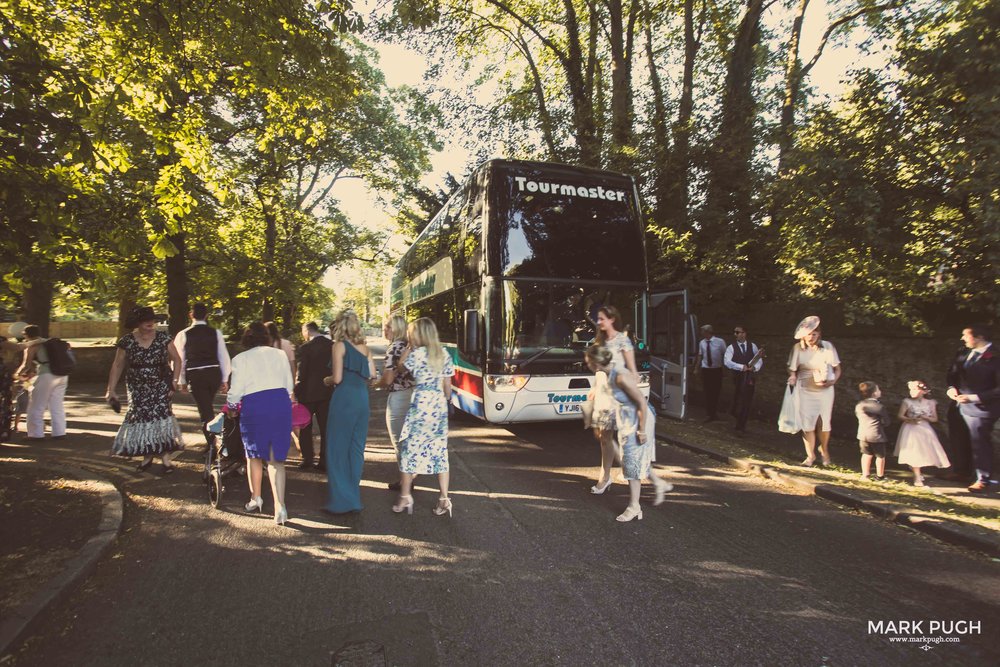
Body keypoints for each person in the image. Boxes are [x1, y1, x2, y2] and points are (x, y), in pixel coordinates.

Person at [585, 344, 672, 522]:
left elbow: (641, 403)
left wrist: (641, 430)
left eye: (588, 362)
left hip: (639, 419)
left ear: (596, 363)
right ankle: (643, 497)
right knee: (629, 460)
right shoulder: (606, 374)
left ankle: (634, 507)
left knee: (632, 461)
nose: (587, 365)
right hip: (626, 418)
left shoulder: (619, 377)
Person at [227, 321, 294, 524]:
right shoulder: (280, 355)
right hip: (280, 403)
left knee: (254, 455)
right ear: (267, 337)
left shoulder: (240, 359)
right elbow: (289, 383)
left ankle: (256, 498)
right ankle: (280, 506)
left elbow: (236, 389)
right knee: (276, 460)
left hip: (255, 406)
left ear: (247, 337)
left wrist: (231, 406)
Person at [107, 307, 184, 472]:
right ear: (138, 323)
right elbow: (117, 364)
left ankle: (165, 460)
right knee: (141, 418)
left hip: (161, 384)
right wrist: (110, 389)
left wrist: (175, 381)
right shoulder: (127, 340)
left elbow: (177, 360)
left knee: (161, 417)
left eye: (153, 320)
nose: (151, 323)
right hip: (137, 387)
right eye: (146, 320)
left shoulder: (164, 338)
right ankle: (147, 457)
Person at [393, 317, 455, 517]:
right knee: (440, 450)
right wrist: (445, 405)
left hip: (421, 404)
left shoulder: (417, 354)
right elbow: (447, 388)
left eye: (413, 332)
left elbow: (400, 369)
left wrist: (406, 352)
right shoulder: (444, 353)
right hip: (438, 406)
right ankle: (444, 499)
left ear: (419, 334)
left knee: (409, 450)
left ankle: (405, 497)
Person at [323, 310, 375, 513]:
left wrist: (325, 380)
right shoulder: (365, 349)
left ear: (340, 327)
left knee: (336, 448)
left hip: (343, 399)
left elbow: (336, 379)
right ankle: (354, 496)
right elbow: (371, 375)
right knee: (356, 448)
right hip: (362, 399)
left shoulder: (339, 346)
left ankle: (341, 500)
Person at [589, 305, 638, 495]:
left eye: (602, 318)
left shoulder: (623, 341)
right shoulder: (599, 342)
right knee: (604, 436)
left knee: (624, 438)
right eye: (598, 319)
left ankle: (631, 474)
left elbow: (633, 371)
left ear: (612, 319)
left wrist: (630, 389)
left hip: (618, 393)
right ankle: (605, 476)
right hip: (602, 392)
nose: (599, 322)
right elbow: (598, 368)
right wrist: (593, 388)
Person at [945, 326, 1000, 493]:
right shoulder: (962, 352)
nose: (962, 338)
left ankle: (983, 478)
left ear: (979, 336)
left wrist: (974, 397)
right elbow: (952, 374)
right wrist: (951, 388)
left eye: (965, 335)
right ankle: (961, 471)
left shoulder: (996, 357)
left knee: (979, 442)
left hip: (982, 407)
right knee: (958, 437)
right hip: (958, 403)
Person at [787, 316, 842, 467]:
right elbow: (792, 369)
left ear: (819, 335)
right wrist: (792, 377)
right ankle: (810, 456)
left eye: (815, 334)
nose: (812, 337)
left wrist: (833, 381)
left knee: (823, 423)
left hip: (825, 390)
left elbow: (837, 369)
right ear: (803, 335)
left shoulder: (828, 347)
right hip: (804, 389)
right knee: (807, 424)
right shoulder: (797, 348)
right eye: (809, 334)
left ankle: (824, 449)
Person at [173, 303, 231, 447]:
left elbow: (179, 359)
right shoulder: (216, 333)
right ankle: (213, 441)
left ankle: (213, 444)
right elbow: (223, 357)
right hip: (213, 373)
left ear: (191, 315)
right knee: (207, 407)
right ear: (207, 315)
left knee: (205, 410)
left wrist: (181, 381)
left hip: (196, 375)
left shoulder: (183, 334)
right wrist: (224, 379)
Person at [375, 315, 415, 491]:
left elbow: (389, 378)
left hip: (399, 397)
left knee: (399, 439)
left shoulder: (394, 348)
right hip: (413, 394)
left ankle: (405, 481)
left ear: (396, 328)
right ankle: (410, 475)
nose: (385, 330)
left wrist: (376, 383)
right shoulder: (408, 346)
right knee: (408, 438)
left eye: (387, 327)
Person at [15, 324, 69, 441]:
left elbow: (26, 365)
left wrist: (16, 375)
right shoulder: (50, 342)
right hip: (62, 375)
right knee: (56, 405)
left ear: (26, 335)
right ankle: (59, 433)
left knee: (36, 406)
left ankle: (35, 434)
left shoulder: (33, 345)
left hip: (46, 375)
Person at [294, 321, 333, 471]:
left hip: (307, 394)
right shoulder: (331, 344)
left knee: (305, 427)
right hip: (327, 391)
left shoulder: (305, 348)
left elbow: (302, 373)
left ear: (307, 331)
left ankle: (307, 458)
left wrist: (296, 391)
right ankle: (324, 460)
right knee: (325, 428)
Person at [894, 380, 949, 487]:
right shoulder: (907, 401)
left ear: (923, 391)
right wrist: (910, 419)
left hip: (924, 429)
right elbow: (900, 415)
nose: (912, 392)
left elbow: (934, 419)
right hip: (911, 428)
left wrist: (925, 417)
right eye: (910, 389)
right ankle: (917, 476)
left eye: (915, 389)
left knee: (925, 451)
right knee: (914, 451)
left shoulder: (931, 402)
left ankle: (918, 471)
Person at [724, 325, 763, 434]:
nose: (735, 334)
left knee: (746, 401)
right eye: (735, 332)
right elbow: (727, 362)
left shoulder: (752, 346)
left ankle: (740, 426)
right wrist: (741, 367)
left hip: (750, 377)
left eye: (738, 332)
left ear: (744, 333)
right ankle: (735, 414)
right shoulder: (731, 347)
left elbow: (759, 359)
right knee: (738, 401)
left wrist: (754, 367)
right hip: (738, 377)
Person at [855, 382, 889, 481]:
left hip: (862, 434)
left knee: (866, 454)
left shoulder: (860, 405)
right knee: (880, 456)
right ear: (874, 393)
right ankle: (880, 476)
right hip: (876, 435)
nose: (880, 391)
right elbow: (886, 422)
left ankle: (865, 475)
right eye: (878, 390)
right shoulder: (879, 407)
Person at [694, 325, 726, 422]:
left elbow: (725, 355)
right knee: (707, 391)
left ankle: (714, 413)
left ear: (708, 332)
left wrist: (727, 368)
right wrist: (696, 368)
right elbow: (700, 356)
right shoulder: (702, 343)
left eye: (702, 331)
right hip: (706, 370)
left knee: (716, 391)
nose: (701, 333)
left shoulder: (720, 342)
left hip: (716, 370)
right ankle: (709, 414)